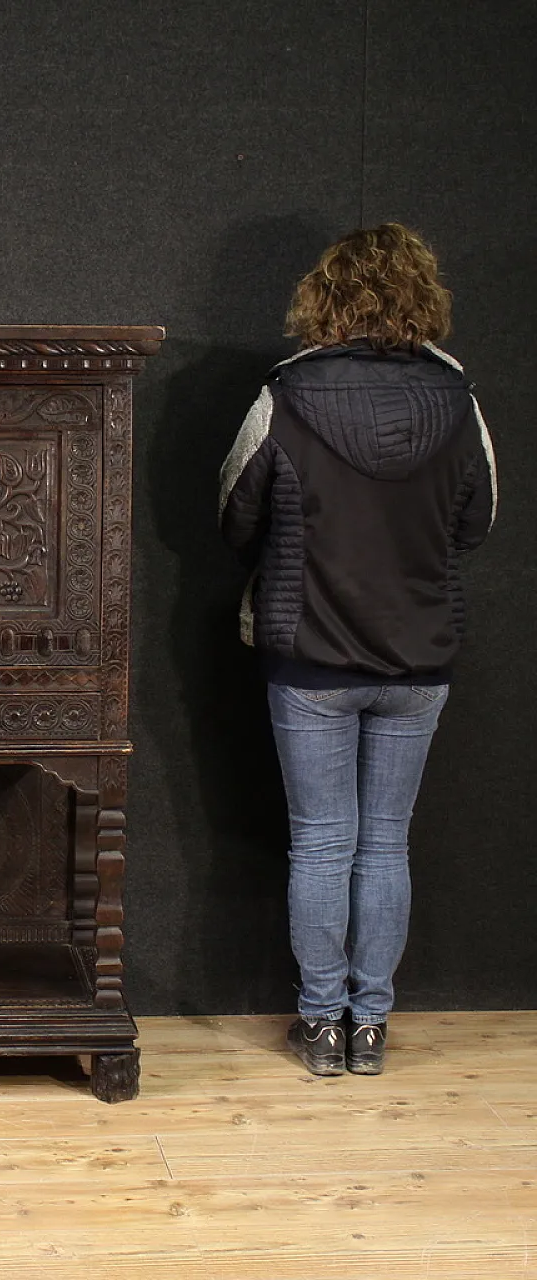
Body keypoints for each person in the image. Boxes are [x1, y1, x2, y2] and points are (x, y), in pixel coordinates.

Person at [218, 223, 497, 1076]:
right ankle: (371, 1023)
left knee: (321, 843)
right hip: (419, 660)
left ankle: (322, 1028)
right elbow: (478, 523)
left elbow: (234, 516)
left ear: (324, 297)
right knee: (385, 843)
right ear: (425, 295)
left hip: (310, 657)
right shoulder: (461, 401)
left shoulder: (285, 397)